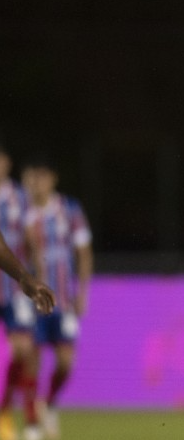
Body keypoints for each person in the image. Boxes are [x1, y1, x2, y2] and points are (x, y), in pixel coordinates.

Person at [21, 156, 92, 440]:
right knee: (31, 360)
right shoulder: (23, 213)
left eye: (45, 176)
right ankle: (32, 426)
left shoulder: (69, 210)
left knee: (65, 363)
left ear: (53, 179)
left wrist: (83, 292)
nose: (40, 182)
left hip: (63, 299)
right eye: (36, 177)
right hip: (31, 302)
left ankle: (48, 403)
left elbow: (83, 252)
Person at [0, 146, 54, 440]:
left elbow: (30, 240)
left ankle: (13, 412)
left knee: (23, 350)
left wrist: (29, 278)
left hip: (9, 286)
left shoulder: (18, 197)